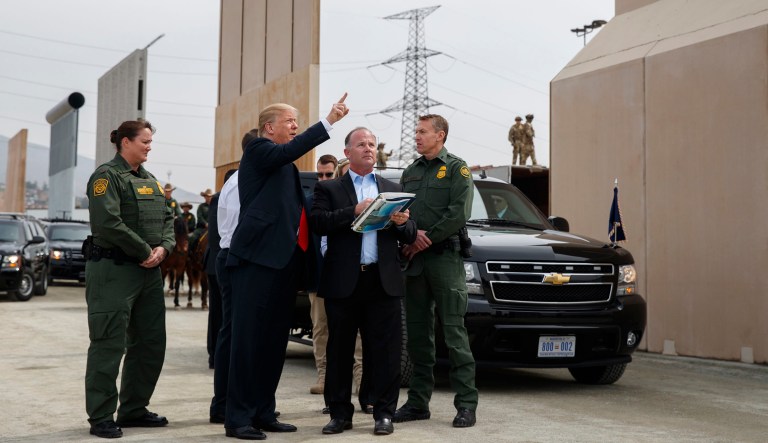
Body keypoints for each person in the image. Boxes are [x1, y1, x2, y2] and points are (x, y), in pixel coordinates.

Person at [222, 94, 349, 440]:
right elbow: (287, 152)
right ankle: (238, 419)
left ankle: (264, 411)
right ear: (269, 128)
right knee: (247, 343)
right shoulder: (259, 152)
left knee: (273, 343)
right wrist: (327, 122)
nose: (295, 127)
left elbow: (298, 214)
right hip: (254, 262)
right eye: (290, 121)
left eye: (297, 121)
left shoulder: (287, 167)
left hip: (282, 265)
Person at [310, 127, 416, 436]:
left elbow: (410, 235)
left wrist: (404, 222)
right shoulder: (330, 189)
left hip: (382, 282)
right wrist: (352, 211)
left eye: (372, 144)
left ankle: (384, 413)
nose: (368, 148)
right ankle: (340, 414)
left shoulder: (392, 188)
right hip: (344, 281)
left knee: (385, 352)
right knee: (340, 351)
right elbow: (317, 223)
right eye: (361, 144)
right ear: (347, 152)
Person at [83, 120, 175, 439]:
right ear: (125, 142)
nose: (149, 146)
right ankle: (101, 416)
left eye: (151, 141)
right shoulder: (106, 176)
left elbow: (168, 219)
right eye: (145, 141)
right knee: (109, 343)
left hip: (148, 272)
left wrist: (163, 248)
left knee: (150, 343)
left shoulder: (149, 180)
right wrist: (143, 250)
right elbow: (108, 223)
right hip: (114, 271)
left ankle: (134, 409)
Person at [394, 114, 478, 428]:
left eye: (422, 131)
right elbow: (403, 211)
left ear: (439, 135)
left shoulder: (457, 168)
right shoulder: (411, 171)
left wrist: (424, 240)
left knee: (455, 334)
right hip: (415, 263)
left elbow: (459, 213)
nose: (416, 136)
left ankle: (466, 405)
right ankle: (418, 403)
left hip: (445, 261)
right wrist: (410, 237)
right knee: (417, 336)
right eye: (416, 131)